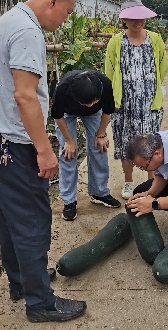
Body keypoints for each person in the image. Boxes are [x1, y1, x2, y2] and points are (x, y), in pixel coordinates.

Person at [0, 0, 87, 323]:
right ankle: (41, 303)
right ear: (53, 2)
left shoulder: (6, 20)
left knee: (11, 217)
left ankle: (22, 283)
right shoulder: (29, 32)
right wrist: (44, 151)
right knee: (32, 221)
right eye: (67, 13)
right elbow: (25, 95)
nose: (64, 22)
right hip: (13, 144)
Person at [104, 0, 168, 200]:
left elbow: (162, 65)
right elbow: (110, 70)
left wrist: (149, 86)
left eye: (141, 18)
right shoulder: (115, 41)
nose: (137, 22)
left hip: (149, 104)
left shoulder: (155, 39)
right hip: (124, 105)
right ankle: (129, 182)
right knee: (126, 144)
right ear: (124, 19)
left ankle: (150, 182)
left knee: (150, 143)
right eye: (132, 18)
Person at [51, 69, 120, 221]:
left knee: (99, 148)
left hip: (96, 115)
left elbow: (107, 111)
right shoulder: (64, 88)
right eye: (86, 103)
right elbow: (57, 115)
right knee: (68, 154)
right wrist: (69, 141)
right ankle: (69, 201)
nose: (89, 106)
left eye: (94, 102)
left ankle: (99, 192)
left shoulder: (105, 84)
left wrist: (101, 134)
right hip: (67, 114)